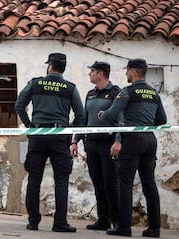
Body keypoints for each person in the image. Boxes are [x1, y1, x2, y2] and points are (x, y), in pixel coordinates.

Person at [15, 53, 85, 233]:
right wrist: (69, 133)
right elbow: (81, 115)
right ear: (63, 68)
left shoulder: (36, 83)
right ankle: (59, 222)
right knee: (61, 179)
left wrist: (30, 126)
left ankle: (33, 221)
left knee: (34, 179)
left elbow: (19, 105)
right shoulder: (70, 88)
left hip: (37, 134)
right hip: (59, 136)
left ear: (50, 67)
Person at [98, 59, 167, 237]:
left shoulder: (127, 92)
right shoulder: (153, 93)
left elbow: (111, 114)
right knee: (149, 184)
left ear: (134, 72)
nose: (126, 74)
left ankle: (124, 227)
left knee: (125, 184)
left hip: (132, 141)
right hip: (149, 140)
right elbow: (162, 120)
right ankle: (154, 228)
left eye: (128, 71)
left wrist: (101, 114)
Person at [70, 61, 120, 230]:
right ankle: (103, 219)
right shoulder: (90, 94)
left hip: (108, 143)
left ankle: (117, 221)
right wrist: (75, 140)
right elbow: (83, 119)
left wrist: (118, 140)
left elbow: (122, 120)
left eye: (91, 71)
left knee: (110, 183)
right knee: (98, 182)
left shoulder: (115, 93)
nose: (89, 74)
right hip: (91, 143)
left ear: (100, 73)